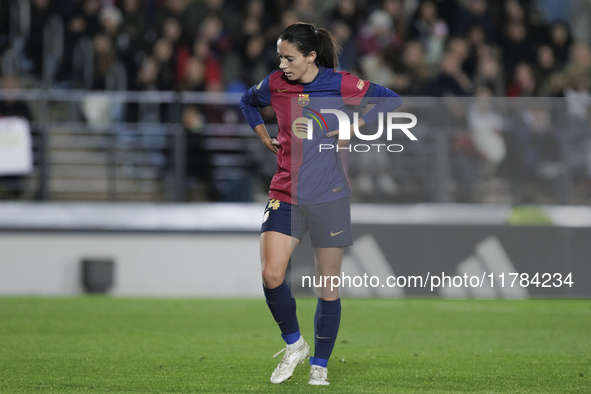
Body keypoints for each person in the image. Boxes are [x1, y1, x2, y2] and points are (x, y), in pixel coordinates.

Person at [239, 22, 401, 385]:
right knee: (271, 274)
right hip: (286, 193)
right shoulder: (275, 84)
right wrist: (263, 135)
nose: (282, 64)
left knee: (327, 285)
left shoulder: (340, 82)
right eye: (280, 56)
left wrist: (354, 126)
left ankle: (320, 364)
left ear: (311, 57)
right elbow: (247, 101)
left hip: (329, 196)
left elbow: (391, 99)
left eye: (289, 57)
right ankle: (295, 345)